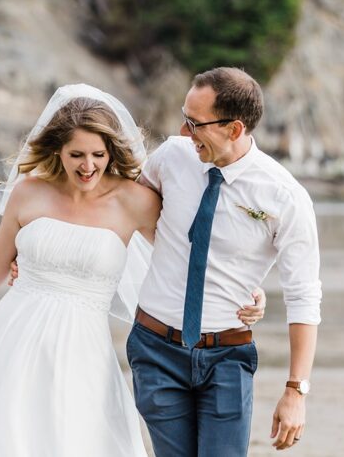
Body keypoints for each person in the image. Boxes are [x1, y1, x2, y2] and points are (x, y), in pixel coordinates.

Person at [0, 84, 266, 456]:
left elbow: (188, 257)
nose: (88, 165)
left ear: (111, 151)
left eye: (98, 154)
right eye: (77, 154)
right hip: (14, 339)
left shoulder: (136, 202)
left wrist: (247, 290)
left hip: (84, 350)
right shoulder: (28, 193)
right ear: (58, 150)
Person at [127, 67, 321, 456]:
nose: (184, 132)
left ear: (234, 129)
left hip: (227, 357)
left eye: (195, 124)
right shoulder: (170, 158)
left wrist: (296, 390)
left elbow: (303, 295)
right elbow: (121, 210)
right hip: (155, 349)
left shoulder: (285, 197)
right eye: (184, 118)